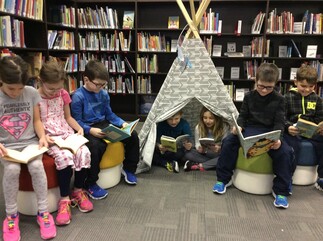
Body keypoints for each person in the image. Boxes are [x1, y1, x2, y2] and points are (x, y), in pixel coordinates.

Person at [212, 63, 294, 209]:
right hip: (250, 128)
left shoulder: (280, 100)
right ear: (255, 81)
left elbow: (279, 123)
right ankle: (223, 179)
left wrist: (278, 140)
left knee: (285, 152)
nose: (263, 90)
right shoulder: (249, 96)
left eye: (269, 87)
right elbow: (242, 116)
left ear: (275, 84)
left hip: (270, 131)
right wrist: (239, 126)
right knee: (228, 141)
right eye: (260, 86)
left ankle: (281, 191)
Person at [0, 56, 56, 240]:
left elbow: (37, 120)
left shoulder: (31, 93)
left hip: (30, 142)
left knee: (37, 167)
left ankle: (43, 212)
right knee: (12, 169)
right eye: (10, 88)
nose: (16, 93)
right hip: (7, 147)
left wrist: (42, 137)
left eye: (20, 88)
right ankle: (11, 216)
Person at [71, 60, 139, 200]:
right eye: (98, 84)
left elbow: (109, 115)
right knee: (95, 147)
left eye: (104, 84)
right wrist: (90, 130)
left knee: (132, 135)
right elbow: (76, 121)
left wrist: (122, 124)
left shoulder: (103, 94)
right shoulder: (78, 96)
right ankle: (90, 183)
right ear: (86, 79)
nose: (101, 87)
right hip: (86, 128)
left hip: (103, 124)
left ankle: (129, 169)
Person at [37, 61, 93, 226]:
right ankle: (64, 199)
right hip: (50, 136)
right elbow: (36, 121)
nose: (55, 92)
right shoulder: (35, 97)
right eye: (51, 88)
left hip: (65, 131)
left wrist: (79, 128)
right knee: (65, 157)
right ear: (40, 80)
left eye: (58, 88)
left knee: (84, 152)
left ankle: (78, 190)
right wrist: (43, 136)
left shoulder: (63, 94)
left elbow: (68, 117)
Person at [284, 64, 323, 191]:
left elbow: (319, 118)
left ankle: (321, 177)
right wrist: (288, 127)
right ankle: (287, 177)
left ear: (315, 86)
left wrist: (319, 126)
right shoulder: (287, 97)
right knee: (291, 148)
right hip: (293, 131)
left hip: (312, 132)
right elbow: (281, 118)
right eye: (303, 86)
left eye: (311, 87)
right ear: (296, 82)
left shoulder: (317, 99)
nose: (306, 90)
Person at [183, 107, 230, 171]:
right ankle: (213, 164)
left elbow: (226, 145)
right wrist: (200, 148)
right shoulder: (198, 127)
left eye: (211, 118)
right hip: (205, 153)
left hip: (218, 154)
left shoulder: (224, 126)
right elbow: (197, 143)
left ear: (216, 118)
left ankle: (200, 165)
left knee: (227, 156)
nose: (207, 121)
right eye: (205, 118)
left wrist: (219, 148)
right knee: (188, 154)